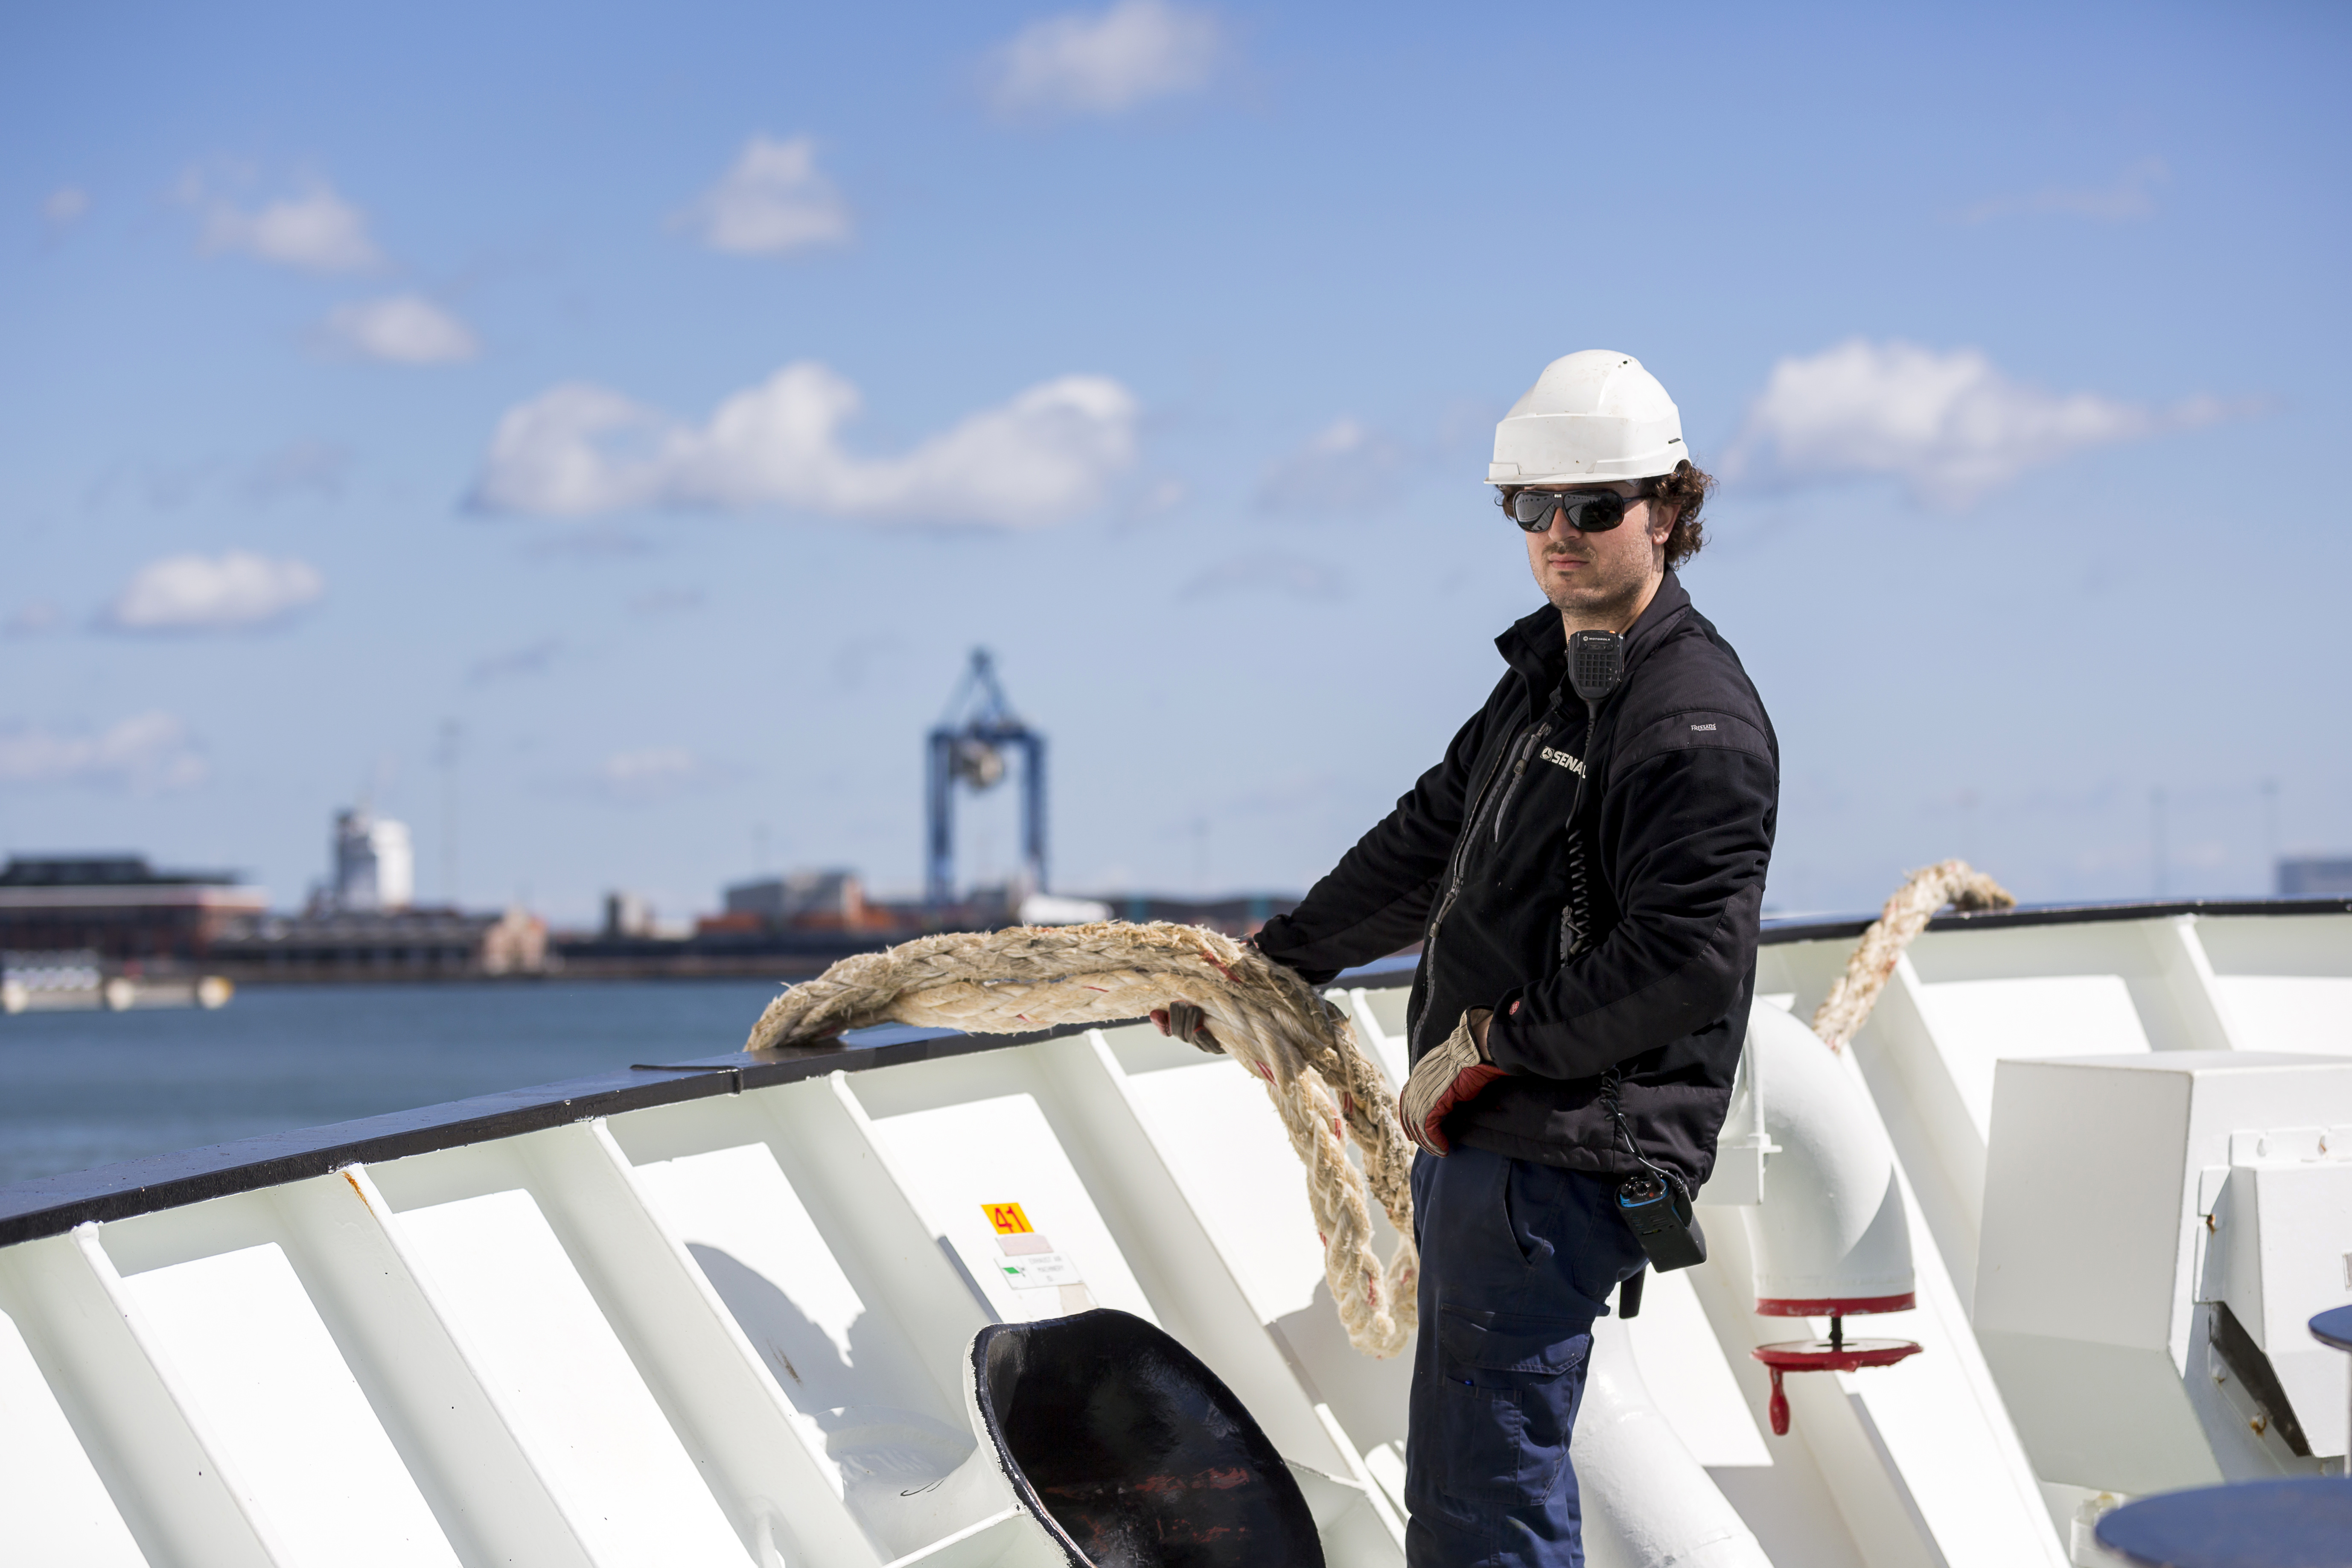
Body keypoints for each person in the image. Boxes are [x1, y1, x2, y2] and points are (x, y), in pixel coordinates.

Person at [1249, 351, 1777, 1566]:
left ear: (1669, 512)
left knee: (1481, 1502)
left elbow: (1685, 960)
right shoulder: (1555, 677)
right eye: (1530, 507)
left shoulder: (1691, 723)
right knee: (1478, 1479)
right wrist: (1280, 965)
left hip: (1555, 1154)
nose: (1559, 534)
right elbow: (1431, 837)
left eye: (1592, 507)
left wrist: (1492, 1049)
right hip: (1499, 1147)